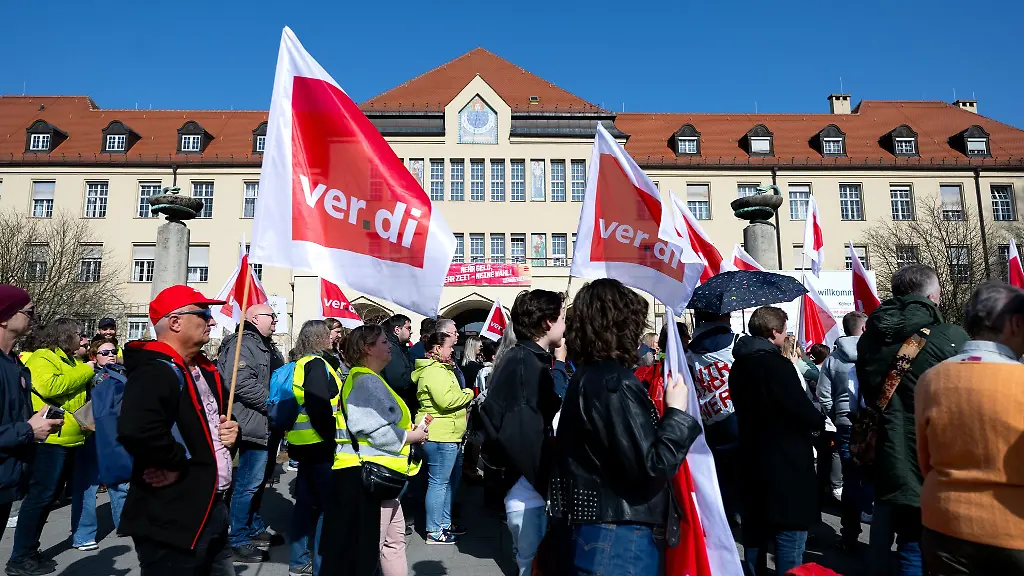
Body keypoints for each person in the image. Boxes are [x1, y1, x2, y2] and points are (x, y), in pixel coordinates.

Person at [549, 279, 701, 575]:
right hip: (619, 532)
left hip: (602, 526)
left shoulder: (590, 376)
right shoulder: (614, 383)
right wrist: (676, 414)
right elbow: (651, 467)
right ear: (620, 325)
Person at [117, 285, 240, 576]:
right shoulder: (155, 370)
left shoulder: (204, 369)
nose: (212, 321)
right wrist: (175, 464)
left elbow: (215, 425)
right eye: (204, 315)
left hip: (212, 506)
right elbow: (137, 429)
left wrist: (233, 433)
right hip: (173, 513)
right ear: (175, 322)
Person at [857, 264, 968, 575]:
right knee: (922, 542)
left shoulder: (869, 339)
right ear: (932, 297)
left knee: (900, 530)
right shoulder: (948, 336)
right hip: (934, 453)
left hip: (886, 449)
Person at [916, 282, 1024, 574]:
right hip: (1013, 532)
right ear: (1016, 323)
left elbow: (925, 460)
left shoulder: (931, 379)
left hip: (944, 523)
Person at [320, 324, 427, 576]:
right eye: (383, 342)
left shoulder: (370, 379)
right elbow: (376, 431)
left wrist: (409, 432)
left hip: (380, 477)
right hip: (368, 477)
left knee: (392, 542)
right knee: (368, 549)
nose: (389, 346)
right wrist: (412, 436)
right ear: (367, 348)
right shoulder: (365, 381)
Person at [729, 306, 825, 575]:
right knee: (790, 533)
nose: (786, 335)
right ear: (774, 332)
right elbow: (800, 409)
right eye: (784, 330)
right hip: (784, 459)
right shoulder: (776, 366)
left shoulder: (739, 365)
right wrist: (817, 419)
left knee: (755, 531)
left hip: (751, 454)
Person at [479, 289, 566, 576]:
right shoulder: (523, 362)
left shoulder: (528, 358)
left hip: (527, 483)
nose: (565, 325)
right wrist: (545, 481)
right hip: (527, 486)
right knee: (532, 563)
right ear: (547, 322)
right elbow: (522, 432)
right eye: (562, 318)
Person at [8, 318, 94, 576]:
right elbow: (49, 386)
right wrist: (87, 370)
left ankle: (30, 550)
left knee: (48, 498)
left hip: (68, 438)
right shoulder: (43, 357)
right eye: (79, 334)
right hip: (50, 441)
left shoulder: (71, 361)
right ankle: (19, 557)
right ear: (65, 335)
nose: (84, 339)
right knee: (39, 498)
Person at [216, 303, 286, 563]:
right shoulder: (243, 343)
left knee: (257, 482)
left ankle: (253, 528)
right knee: (247, 483)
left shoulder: (264, 343)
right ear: (255, 318)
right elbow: (240, 382)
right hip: (250, 423)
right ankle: (237, 539)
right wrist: (272, 403)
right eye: (272, 316)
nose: (275, 320)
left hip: (266, 423)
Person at [0, 287, 62, 551]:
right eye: (29, 312)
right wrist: (27, 429)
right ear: (4, 318)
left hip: (7, 480)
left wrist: (36, 421)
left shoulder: (14, 363)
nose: (34, 318)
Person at [285, 320, 345, 576]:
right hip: (319, 443)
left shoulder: (303, 363)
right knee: (325, 507)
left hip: (304, 442)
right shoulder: (317, 364)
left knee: (306, 503)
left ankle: (298, 561)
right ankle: (322, 566)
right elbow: (319, 406)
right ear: (318, 338)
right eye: (328, 334)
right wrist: (332, 437)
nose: (333, 338)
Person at [412, 331, 474, 544]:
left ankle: (443, 525)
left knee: (444, 483)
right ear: (438, 348)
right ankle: (434, 530)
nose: (452, 351)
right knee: (439, 483)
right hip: (440, 435)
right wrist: (469, 393)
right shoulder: (434, 371)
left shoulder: (440, 369)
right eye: (449, 347)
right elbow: (446, 401)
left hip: (446, 433)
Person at [70, 337, 131, 552]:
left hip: (115, 434)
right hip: (92, 435)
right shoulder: (90, 375)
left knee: (120, 481)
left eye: (113, 351)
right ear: (94, 356)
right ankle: (83, 535)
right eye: (105, 353)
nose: (111, 355)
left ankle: (125, 524)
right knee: (89, 486)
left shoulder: (121, 373)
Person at [818, 311, 869, 549]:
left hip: (845, 422)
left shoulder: (832, 359)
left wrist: (836, 414)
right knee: (873, 476)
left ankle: (850, 533)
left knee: (850, 478)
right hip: (871, 421)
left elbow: (823, 393)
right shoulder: (874, 352)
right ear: (864, 329)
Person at [685, 309, 740, 525]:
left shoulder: (691, 349)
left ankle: (721, 512)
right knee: (739, 466)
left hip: (707, 415)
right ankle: (736, 510)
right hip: (734, 413)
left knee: (717, 468)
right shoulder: (736, 342)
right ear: (723, 316)